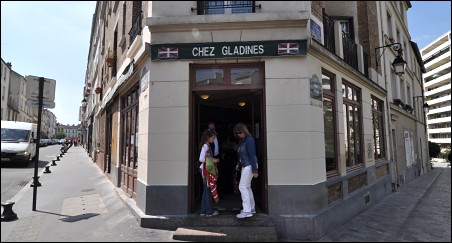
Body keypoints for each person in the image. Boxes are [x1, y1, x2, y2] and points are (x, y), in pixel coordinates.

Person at [234, 123, 258, 219]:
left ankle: (247, 211)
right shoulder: (243, 141)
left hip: (249, 166)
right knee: (247, 187)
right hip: (246, 165)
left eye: (239, 133)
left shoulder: (249, 140)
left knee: (242, 187)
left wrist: (254, 170)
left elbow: (252, 155)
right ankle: (251, 208)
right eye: (236, 134)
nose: (238, 135)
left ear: (244, 131)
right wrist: (238, 164)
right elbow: (241, 155)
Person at [198, 129, 220, 217]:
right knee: (208, 190)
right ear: (208, 137)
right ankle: (209, 211)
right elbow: (201, 159)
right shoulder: (206, 146)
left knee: (206, 190)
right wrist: (213, 160)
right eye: (213, 138)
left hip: (204, 169)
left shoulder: (206, 145)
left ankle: (203, 210)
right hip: (205, 170)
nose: (214, 139)